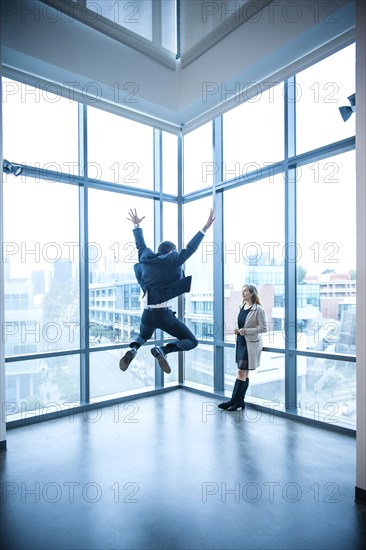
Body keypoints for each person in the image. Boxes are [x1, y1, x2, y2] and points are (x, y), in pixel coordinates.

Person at [119, 207, 215, 374]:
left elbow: (140, 246)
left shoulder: (145, 261)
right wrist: (204, 228)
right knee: (191, 341)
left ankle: (133, 350)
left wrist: (136, 226)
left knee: (142, 336)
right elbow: (190, 248)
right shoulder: (173, 261)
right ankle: (163, 351)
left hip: (147, 314)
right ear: (171, 252)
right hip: (165, 316)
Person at [219, 284, 267, 411]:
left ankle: (233, 401)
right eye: (242, 291)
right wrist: (238, 329)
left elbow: (263, 328)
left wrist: (245, 331)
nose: (243, 293)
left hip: (250, 344)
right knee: (244, 373)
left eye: (245, 291)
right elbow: (241, 322)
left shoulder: (258, 309)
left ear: (252, 293)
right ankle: (240, 402)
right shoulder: (241, 307)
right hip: (240, 342)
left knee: (241, 372)